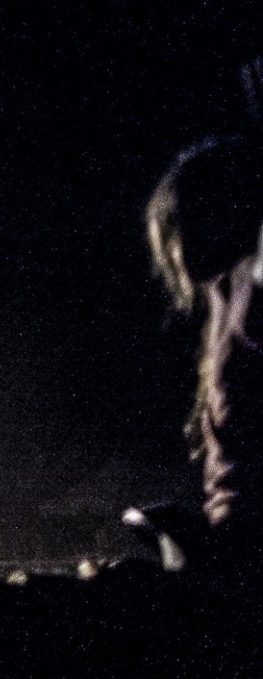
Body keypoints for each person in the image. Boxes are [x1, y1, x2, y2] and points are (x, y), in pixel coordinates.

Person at [146, 134, 263, 572]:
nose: (171, 247)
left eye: (178, 222)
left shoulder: (253, 280)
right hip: (234, 545)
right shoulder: (220, 295)